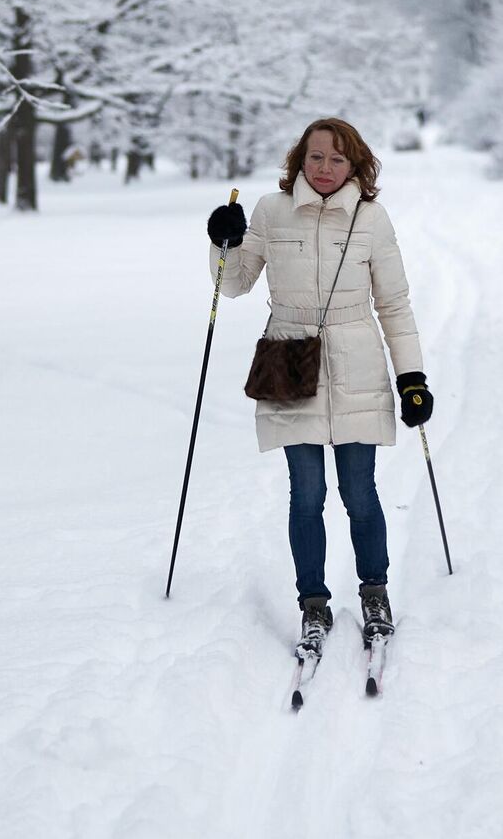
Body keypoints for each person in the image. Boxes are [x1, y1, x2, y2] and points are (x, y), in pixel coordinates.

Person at [203, 117, 431, 655]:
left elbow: (394, 305)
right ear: (298, 161)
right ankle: (313, 603)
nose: (325, 168)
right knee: (305, 496)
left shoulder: (372, 219)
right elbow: (231, 284)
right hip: (290, 360)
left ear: (355, 165)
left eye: (337, 159)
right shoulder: (270, 210)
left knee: (359, 493)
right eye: (315, 157)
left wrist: (412, 378)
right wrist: (222, 241)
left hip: (356, 360)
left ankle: (375, 592)